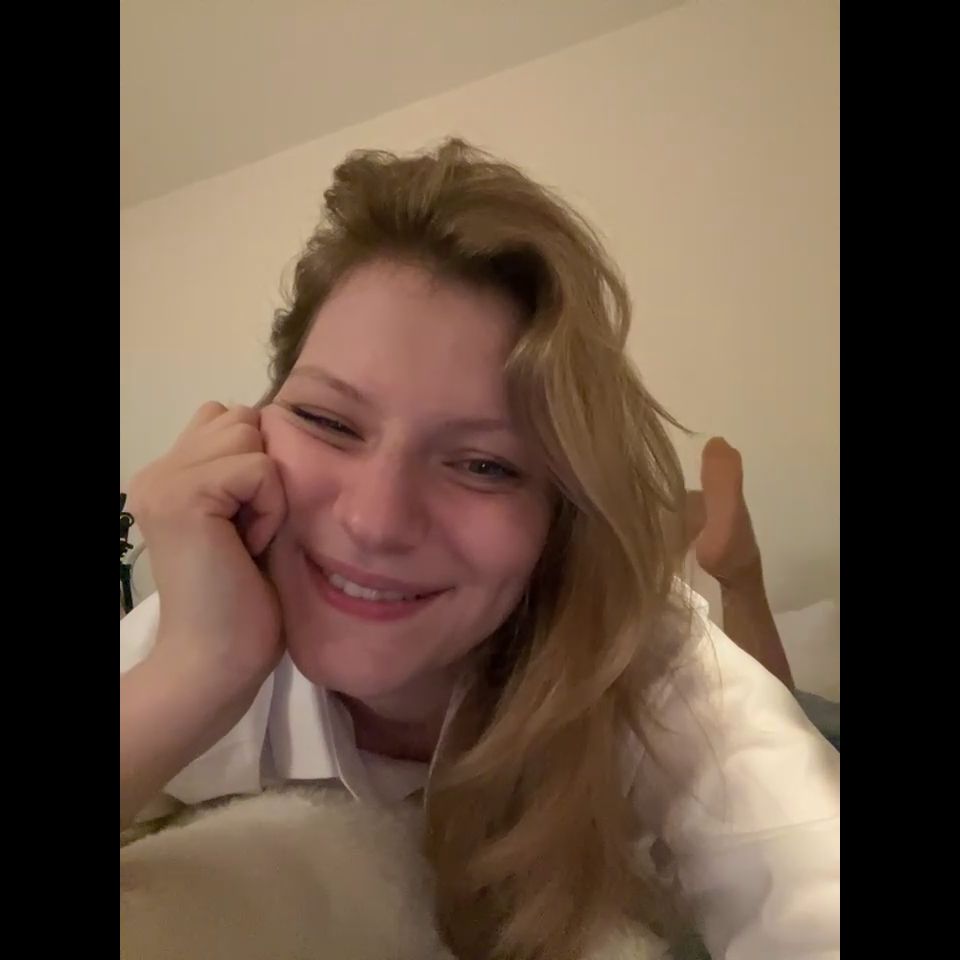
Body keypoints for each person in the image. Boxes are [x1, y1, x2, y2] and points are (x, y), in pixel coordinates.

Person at [120, 139, 839, 959]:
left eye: (485, 465)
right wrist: (196, 668)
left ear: (557, 518)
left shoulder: (650, 663)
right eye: (326, 421)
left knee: (809, 717)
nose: (375, 521)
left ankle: (736, 577)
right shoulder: (197, 623)